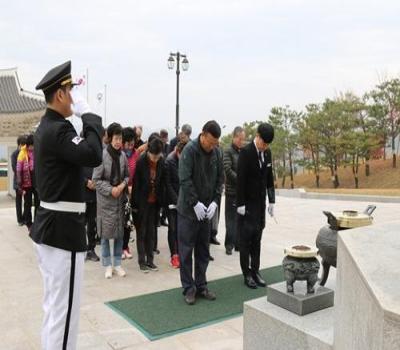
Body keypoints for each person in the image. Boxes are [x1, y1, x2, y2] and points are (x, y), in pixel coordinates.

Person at [30, 61, 103, 350]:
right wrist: (90, 115)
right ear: (59, 94)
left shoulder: (46, 127)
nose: (73, 95)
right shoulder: (58, 130)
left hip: (52, 228)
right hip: (62, 232)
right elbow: (93, 154)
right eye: (70, 90)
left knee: (54, 309)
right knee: (64, 313)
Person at [177, 120, 223, 305]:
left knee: (203, 250)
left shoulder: (217, 153)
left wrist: (214, 202)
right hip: (189, 210)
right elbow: (185, 179)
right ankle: (189, 288)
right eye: (210, 142)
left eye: (215, 143)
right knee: (186, 250)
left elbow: (220, 179)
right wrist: (195, 203)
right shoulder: (190, 150)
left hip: (206, 211)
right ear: (202, 134)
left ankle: (201, 285)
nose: (212, 146)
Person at [236, 123, 275, 289]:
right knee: (246, 241)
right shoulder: (245, 153)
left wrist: (272, 200)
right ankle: (246, 274)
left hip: (260, 204)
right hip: (247, 204)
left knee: (257, 239)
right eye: (263, 143)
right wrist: (240, 204)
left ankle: (255, 270)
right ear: (257, 136)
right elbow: (240, 180)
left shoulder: (267, 153)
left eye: (267, 145)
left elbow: (269, 178)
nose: (265, 147)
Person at [93, 122, 129, 279]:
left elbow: (127, 176)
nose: (118, 142)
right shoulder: (102, 156)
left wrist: (121, 186)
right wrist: (111, 190)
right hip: (106, 202)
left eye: (120, 139)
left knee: (120, 233)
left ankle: (118, 264)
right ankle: (107, 265)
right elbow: (96, 180)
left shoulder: (123, 156)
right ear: (110, 139)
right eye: (116, 138)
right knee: (106, 235)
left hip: (119, 200)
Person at [131, 136, 165, 273]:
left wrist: (162, 201)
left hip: (154, 202)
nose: (155, 159)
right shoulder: (141, 162)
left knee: (151, 232)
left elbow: (162, 182)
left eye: (158, 157)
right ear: (149, 152)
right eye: (153, 157)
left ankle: (150, 260)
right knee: (142, 232)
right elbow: (136, 187)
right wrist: (135, 207)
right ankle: (142, 261)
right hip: (142, 202)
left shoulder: (161, 161)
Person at [223, 126, 246, 255]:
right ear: (235, 137)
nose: (242, 141)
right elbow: (227, 169)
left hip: (242, 192)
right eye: (240, 139)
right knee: (230, 219)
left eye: (243, 139)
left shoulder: (243, 151)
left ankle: (238, 244)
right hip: (232, 191)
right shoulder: (228, 151)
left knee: (240, 219)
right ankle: (229, 244)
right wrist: (240, 180)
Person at [165, 141, 187, 268]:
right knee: (173, 228)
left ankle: (181, 253)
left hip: (183, 199)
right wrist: (177, 201)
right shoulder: (169, 161)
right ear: (178, 152)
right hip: (171, 200)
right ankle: (174, 255)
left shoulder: (186, 159)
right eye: (182, 155)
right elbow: (168, 185)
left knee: (181, 228)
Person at [121, 127, 140, 260]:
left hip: (133, 192)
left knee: (128, 222)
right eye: (128, 143)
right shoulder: (119, 154)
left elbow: (137, 173)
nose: (130, 145)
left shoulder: (136, 154)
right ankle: (119, 247)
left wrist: (133, 187)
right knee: (120, 221)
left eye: (132, 142)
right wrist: (125, 186)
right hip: (121, 191)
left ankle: (125, 247)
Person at [16, 134, 39, 229]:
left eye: (34, 145)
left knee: (38, 202)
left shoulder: (37, 151)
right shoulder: (22, 153)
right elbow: (18, 169)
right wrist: (19, 184)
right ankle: (28, 223)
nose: (32, 147)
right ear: (28, 144)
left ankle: (37, 222)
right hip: (26, 183)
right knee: (27, 204)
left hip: (37, 182)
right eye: (31, 145)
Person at [83, 164, 100, 262]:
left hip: (94, 196)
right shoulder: (79, 155)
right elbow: (74, 173)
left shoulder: (96, 158)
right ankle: (81, 249)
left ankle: (91, 249)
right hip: (81, 196)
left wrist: (96, 183)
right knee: (80, 224)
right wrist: (86, 182)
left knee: (92, 224)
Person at [11, 135, 27, 226]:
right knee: (18, 201)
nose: (24, 146)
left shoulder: (26, 153)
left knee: (27, 201)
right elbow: (14, 168)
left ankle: (25, 217)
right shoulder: (14, 154)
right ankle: (19, 220)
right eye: (22, 145)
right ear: (19, 145)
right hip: (18, 181)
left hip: (27, 181)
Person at [159, 128, 169, 227]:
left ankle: (163, 218)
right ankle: (158, 219)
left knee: (166, 200)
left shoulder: (168, 147)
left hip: (166, 175)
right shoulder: (158, 146)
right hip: (159, 176)